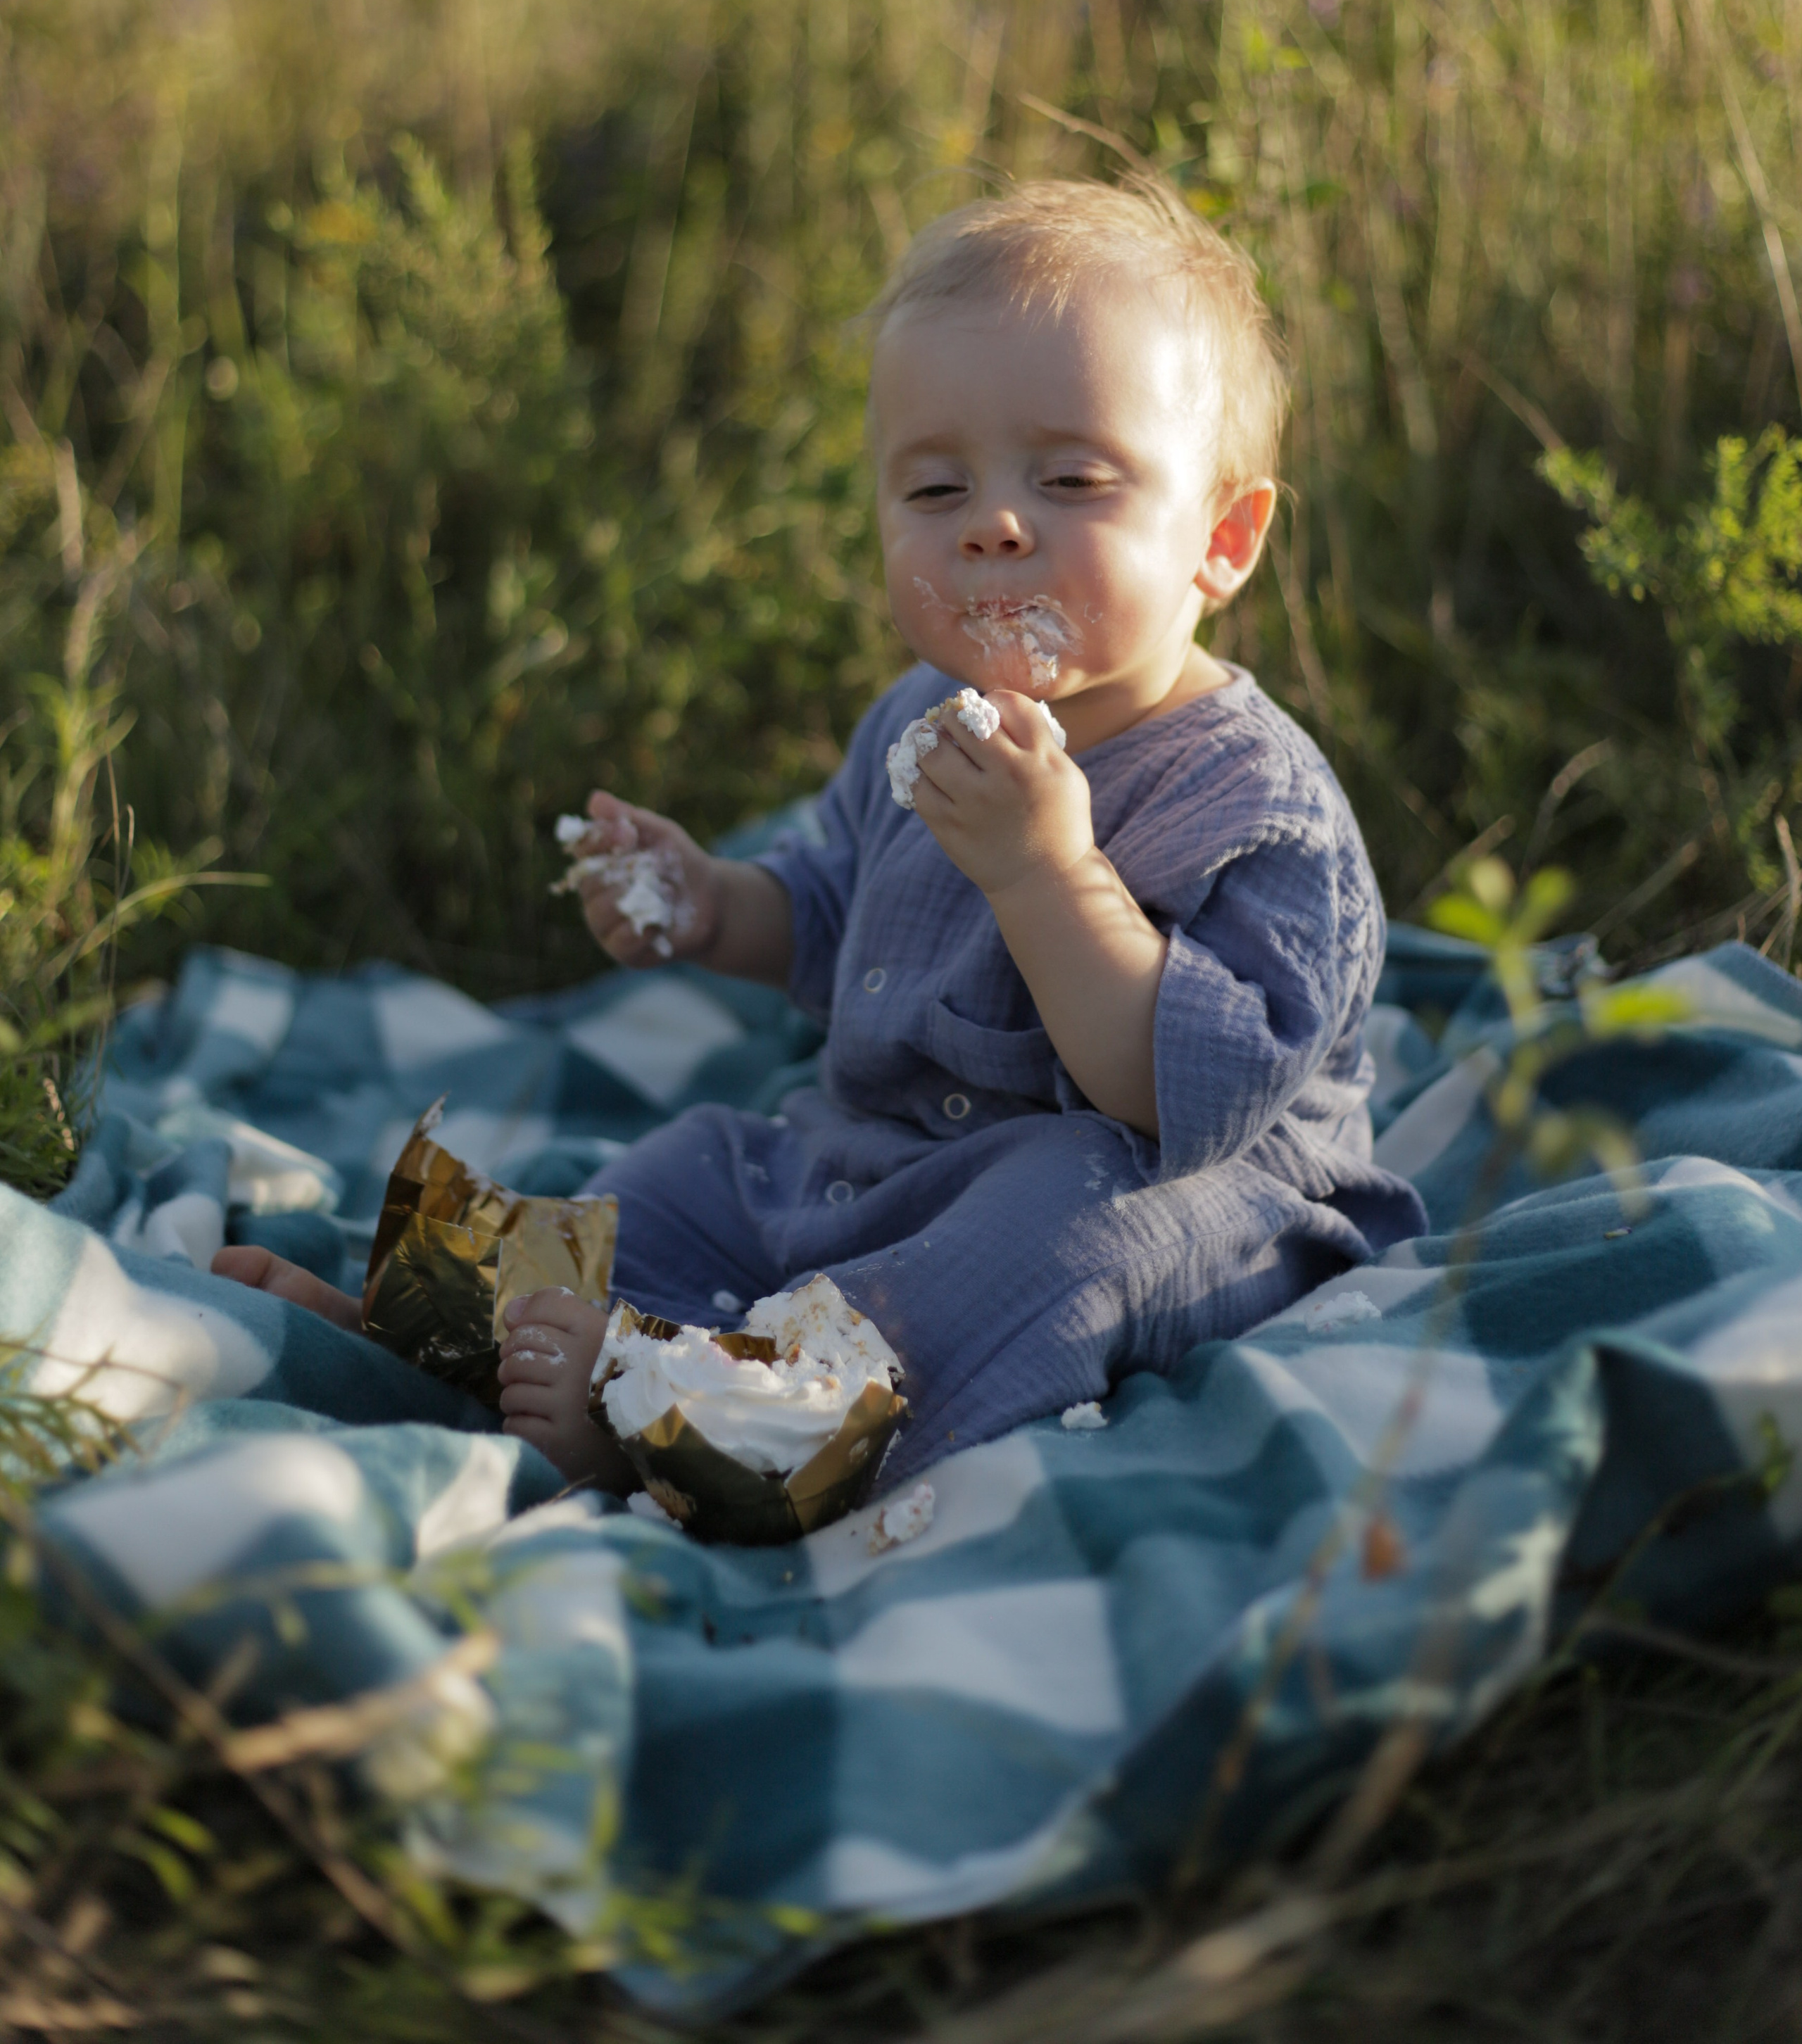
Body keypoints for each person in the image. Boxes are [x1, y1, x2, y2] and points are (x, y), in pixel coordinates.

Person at [220, 176, 1425, 1493]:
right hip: (893, 1163)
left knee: (1062, 1234)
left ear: (1223, 540)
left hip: (1179, 1194)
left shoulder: (1258, 805)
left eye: (1073, 477)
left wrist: (1048, 871)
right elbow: (839, 918)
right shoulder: (921, 724)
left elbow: (1167, 1099)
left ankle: (740, 1429)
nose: (993, 523)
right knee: (695, 1170)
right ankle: (449, 1339)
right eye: (933, 489)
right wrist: (710, 902)